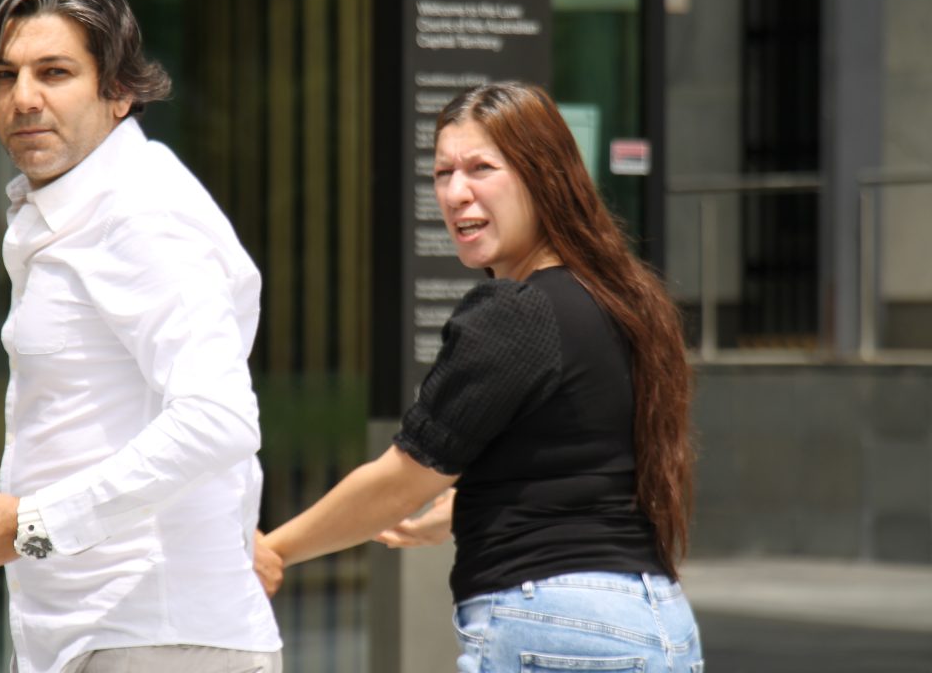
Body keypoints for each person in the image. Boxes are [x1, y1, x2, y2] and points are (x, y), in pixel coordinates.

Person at [0, 0, 282, 673]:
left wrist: (26, 527)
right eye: (3, 75)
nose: (23, 98)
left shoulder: (139, 213)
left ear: (119, 90)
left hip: (155, 636)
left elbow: (219, 419)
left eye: (54, 72)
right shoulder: (73, 207)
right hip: (96, 634)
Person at [262, 82, 702, 672]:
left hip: (553, 626)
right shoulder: (626, 298)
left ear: (544, 175)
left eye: (480, 168)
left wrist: (274, 549)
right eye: (443, 172)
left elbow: (404, 477)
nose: (455, 192)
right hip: (657, 625)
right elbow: (576, 457)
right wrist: (463, 506)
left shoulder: (515, 312)